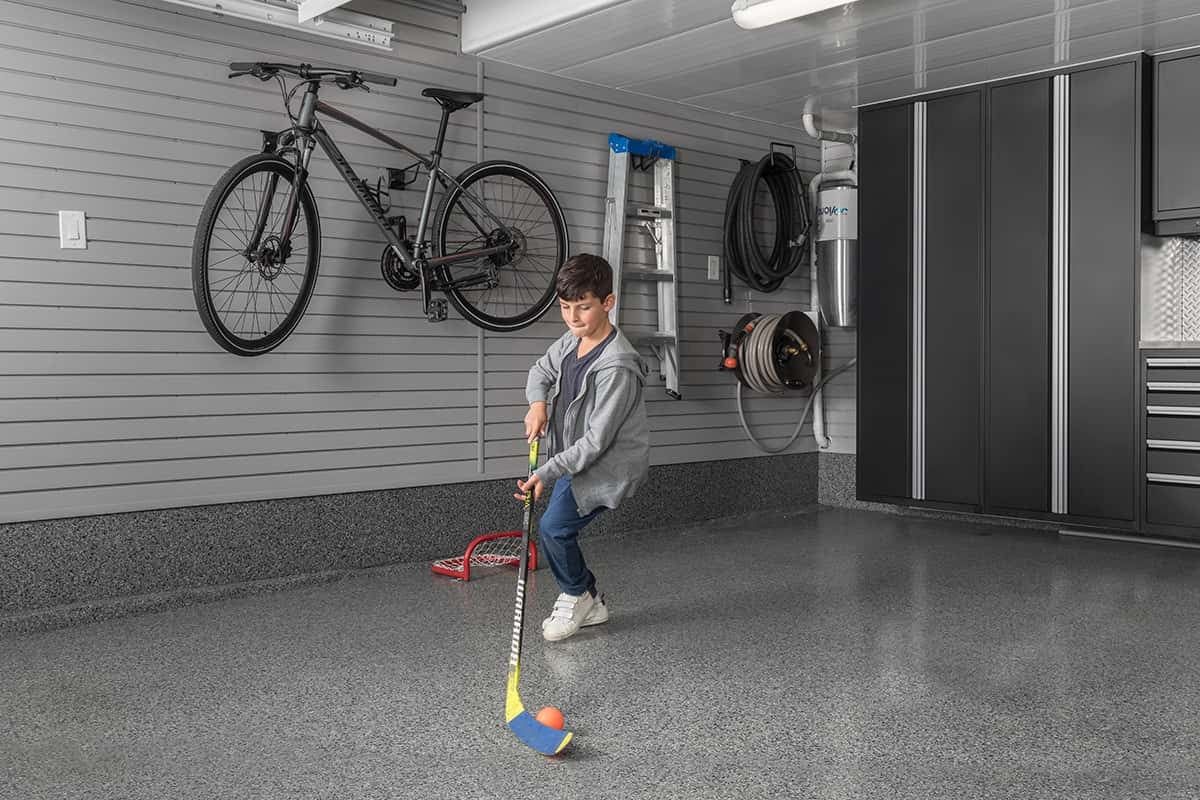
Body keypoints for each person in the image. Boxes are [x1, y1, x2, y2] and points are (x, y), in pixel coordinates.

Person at [517, 253, 651, 642]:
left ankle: (578, 593)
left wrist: (545, 470)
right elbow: (540, 371)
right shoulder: (573, 339)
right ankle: (592, 598)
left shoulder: (617, 367)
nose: (573, 318)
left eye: (584, 308)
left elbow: (596, 442)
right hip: (574, 461)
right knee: (555, 527)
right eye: (565, 308)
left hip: (604, 467)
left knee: (554, 529)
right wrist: (537, 404)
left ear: (607, 303)